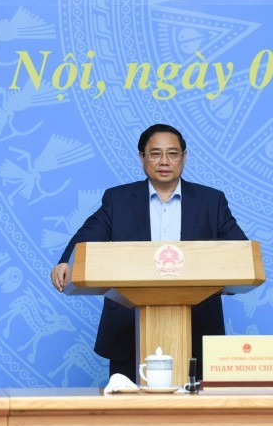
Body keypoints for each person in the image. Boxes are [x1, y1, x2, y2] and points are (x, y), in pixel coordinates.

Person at [51, 123, 247, 381]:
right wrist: (66, 261)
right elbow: (90, 233)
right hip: (128, 327)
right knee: (130, 416)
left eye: (172, 153)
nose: (164, 161)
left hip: (198, 324)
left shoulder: (211, 201)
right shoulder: (118, 199)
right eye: (155, 154)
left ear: (184, 157)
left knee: (193, 415)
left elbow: (240, 251)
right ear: (142, 157)